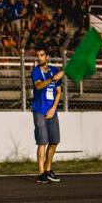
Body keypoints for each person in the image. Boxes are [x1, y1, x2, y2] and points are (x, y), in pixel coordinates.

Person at [31, 48, 65, 184]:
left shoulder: (54, 70)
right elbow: (38, 86)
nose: (39, 57)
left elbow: (58, 92)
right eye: (37, 55)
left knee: (54, 141)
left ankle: (48, 169)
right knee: (42, 141)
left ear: (47, 56)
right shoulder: (36, 71)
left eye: (41, 55)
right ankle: (41, 174)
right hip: (39, 110)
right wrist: (52, 79)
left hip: (52, 111)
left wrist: (53, 109)